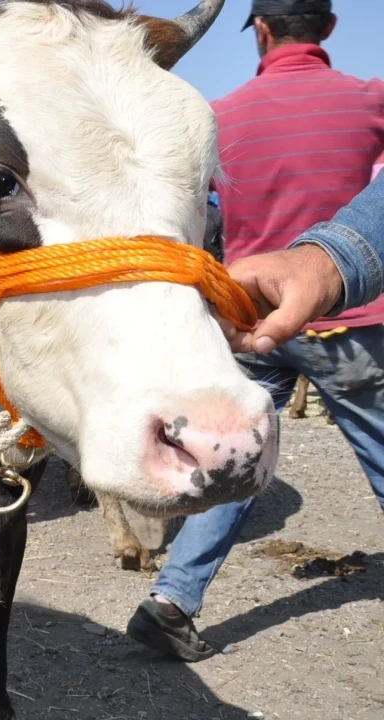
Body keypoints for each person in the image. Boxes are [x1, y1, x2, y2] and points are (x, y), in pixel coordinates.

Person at [127, 0, 384, 663]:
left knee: (232, 460)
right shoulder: (368, 100)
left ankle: (173, 600)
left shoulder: (218, 117)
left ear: (260, 31)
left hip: (249, 321)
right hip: (344, 320)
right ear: (328, 29)